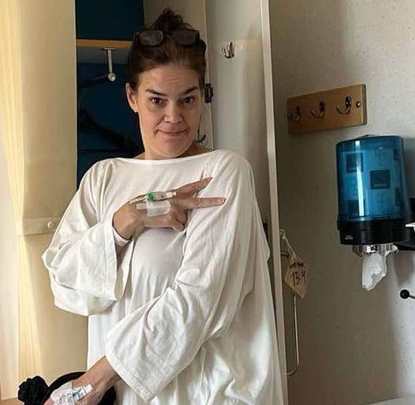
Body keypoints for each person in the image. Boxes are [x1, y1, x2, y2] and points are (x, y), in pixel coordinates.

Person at [41, 9, 283, 405]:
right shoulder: (103, 179)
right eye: (157, 100)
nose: (174, 117)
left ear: (202, 96)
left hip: (207, 395)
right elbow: (66, 284)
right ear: (132, 97)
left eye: (187, 99)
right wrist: (126, 220)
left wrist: (93, 381)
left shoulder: (223, 172)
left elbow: (198, 302)